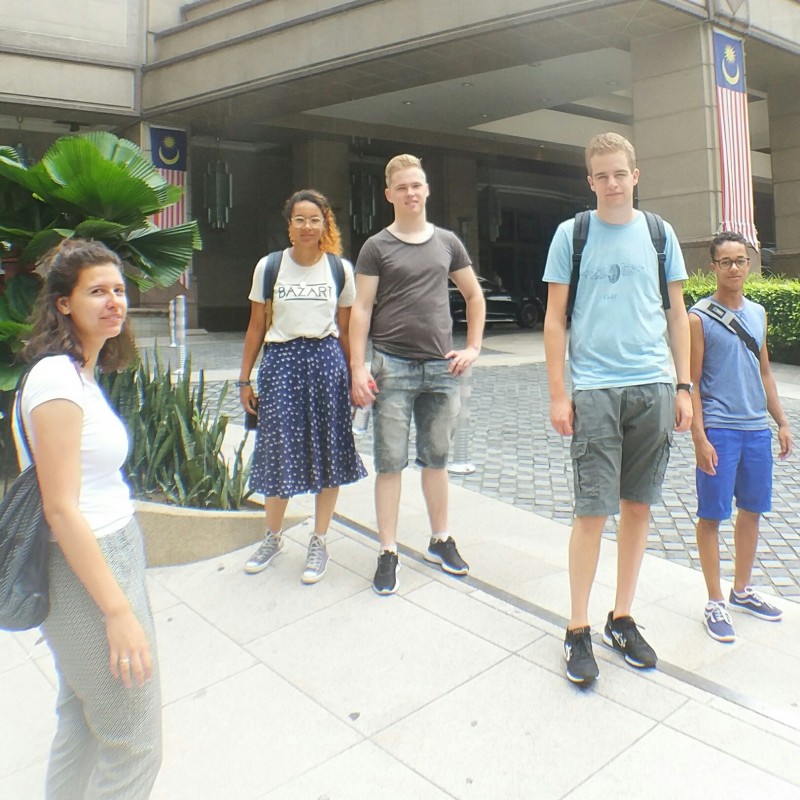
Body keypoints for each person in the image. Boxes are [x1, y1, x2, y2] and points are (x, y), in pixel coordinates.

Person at [14, 239, 161, 798]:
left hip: (109, 552)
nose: (113, 301)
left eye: (119, 290)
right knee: (135, 746)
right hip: (86, 569)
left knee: (82, 719)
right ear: (63, 304)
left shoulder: (80, 374)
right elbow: (59, 507)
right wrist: (118, 611)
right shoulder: (56, 379)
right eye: (96, 291)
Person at [543, 132, 692, 685]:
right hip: (595, 389)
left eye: (619, 173)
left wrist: (683, 386)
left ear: (635, 175)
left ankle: (622, 618)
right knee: (591, 511)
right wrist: (559, 393)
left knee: (638, 507)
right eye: (601, 175)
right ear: (590, 181)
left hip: (653, 385)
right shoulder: (572, 234)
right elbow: (554, 318)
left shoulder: (659, 233)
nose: (612, 183)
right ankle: (577, 626)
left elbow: (676, 313)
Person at [349, 154, 486, 595]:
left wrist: (473, 348)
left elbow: (474, 295)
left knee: (437, 459)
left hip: (441, 367)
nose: (411, 193)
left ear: (427, 189)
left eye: (417, 185)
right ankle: (387, 550)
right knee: (389, 463)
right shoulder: (376, 247)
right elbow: (361, 309)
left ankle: (440, 539)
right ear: (389, 194)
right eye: (402, 187)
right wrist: (357, 366)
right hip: (391, 366)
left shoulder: (447, 242)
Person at [238, 189, 366, 583]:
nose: (307, 226)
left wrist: (355, 375)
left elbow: (346, 330)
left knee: (329, 451)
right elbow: (256, 326)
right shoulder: (270, 267)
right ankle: (272, 537)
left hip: (326, 363)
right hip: (281, 363)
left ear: (325, 223)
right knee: (278, 450)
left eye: (314, 219)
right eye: (300, 219)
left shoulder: (339, 270)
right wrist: (244, 378)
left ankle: (319, 540)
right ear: (289, 225)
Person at [689, 231, 791, 642]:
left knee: (752, 510)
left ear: (749, 264)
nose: (734, 268)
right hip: (720, 429)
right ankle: (715, 601)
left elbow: (765, 372)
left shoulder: (758, 313)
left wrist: (781, 421)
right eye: (726, 262)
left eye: (741, 260)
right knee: (712, 515)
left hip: (755, 430)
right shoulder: (698, 317)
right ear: (713, 267)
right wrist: (699, 437)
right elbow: (692, 383)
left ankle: (742, 590)